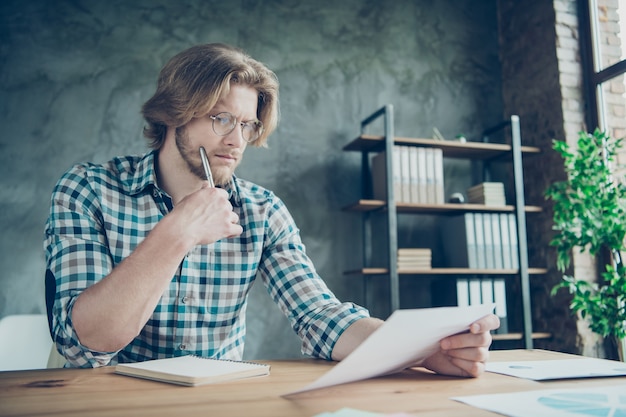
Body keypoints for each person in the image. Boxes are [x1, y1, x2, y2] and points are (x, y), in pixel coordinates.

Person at [44, 43, 499, 374]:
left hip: (218, 403)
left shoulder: (261, 210)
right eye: (220, 118)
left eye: (247, 124)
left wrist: (421, 350)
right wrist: (176, 233)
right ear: (172, 114)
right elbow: (86, 345)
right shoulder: (88, 189)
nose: (236, 141)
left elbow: (318, 316)